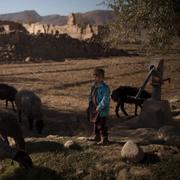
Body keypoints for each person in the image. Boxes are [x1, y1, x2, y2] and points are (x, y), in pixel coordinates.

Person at [87, 68, 110, 145]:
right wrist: (90, 104)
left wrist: (100, 106)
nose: (97, 78)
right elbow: (91, 95)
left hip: (101, 110)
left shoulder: (105, 88)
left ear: (103, 77)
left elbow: (105, 99)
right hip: (94, 108)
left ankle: (104, 138)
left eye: (99, 76)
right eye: (96, 76)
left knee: (101, 124)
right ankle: (96, 136)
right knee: (95, 123)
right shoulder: (93, 86)